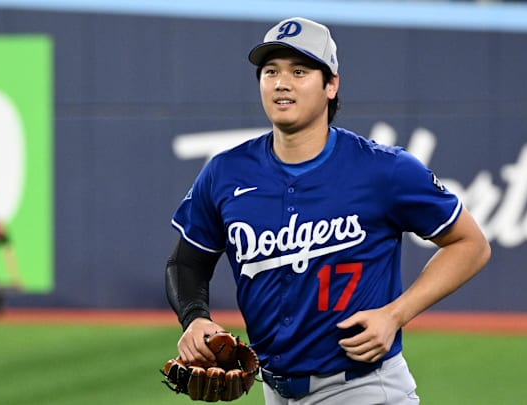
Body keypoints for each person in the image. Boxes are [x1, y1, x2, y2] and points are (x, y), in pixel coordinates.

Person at [165, 17, 491, 404]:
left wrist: (395, 314)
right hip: (275, 390)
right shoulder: (225, 172)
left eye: (299, 71)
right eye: (271, 72)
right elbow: (186, 264)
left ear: (331, 84)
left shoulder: (383, 169)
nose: (281, 83)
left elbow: (470, 244)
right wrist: (195, 317)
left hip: (364, 388)